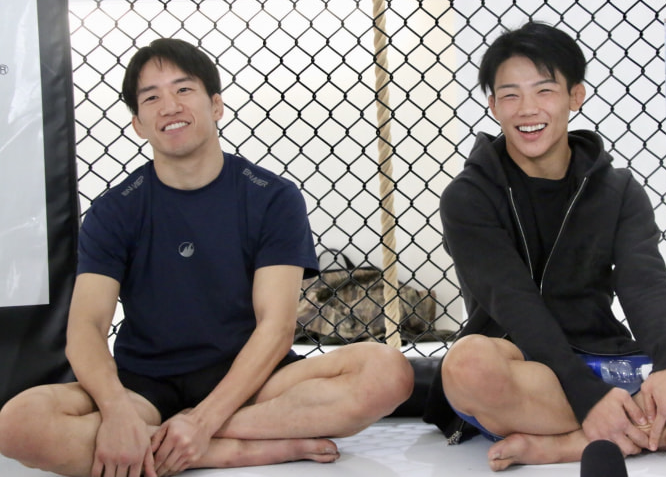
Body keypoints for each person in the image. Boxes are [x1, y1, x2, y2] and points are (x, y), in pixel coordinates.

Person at [0, 39, 414, 477]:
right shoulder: (115, 209)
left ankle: (188, 440)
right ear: (138, 124)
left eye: (183, 89)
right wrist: (117, 412)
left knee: (388, 373)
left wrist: (203, 420)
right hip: (144, 388)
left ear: (216, 105)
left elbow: (276, 327)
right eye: (151, 98)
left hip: (252, 382)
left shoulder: (272, 197)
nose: (169, 106)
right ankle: (233, 451)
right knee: (18, 424)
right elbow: (85, 327)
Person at [421, 22, 666, 471]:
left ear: (575, 96)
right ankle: (649, 431)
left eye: (545, 90)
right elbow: (512, 302)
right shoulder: (468, 196)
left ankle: (569, 443)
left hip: (605, 357)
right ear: (493, 106)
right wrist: (586, 397)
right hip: (527, 364)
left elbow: (645, 284)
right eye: (510, 95)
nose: (527, 109)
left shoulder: (618, 189)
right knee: (467, 366)